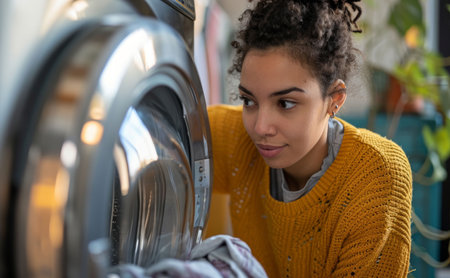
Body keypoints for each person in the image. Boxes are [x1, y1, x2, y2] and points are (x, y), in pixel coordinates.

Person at [206, 0, 413, 277]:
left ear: (334, 100)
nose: (260, 127)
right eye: (249, 100)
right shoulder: (237, 137)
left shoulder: (377, 174)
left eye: (286, 104)